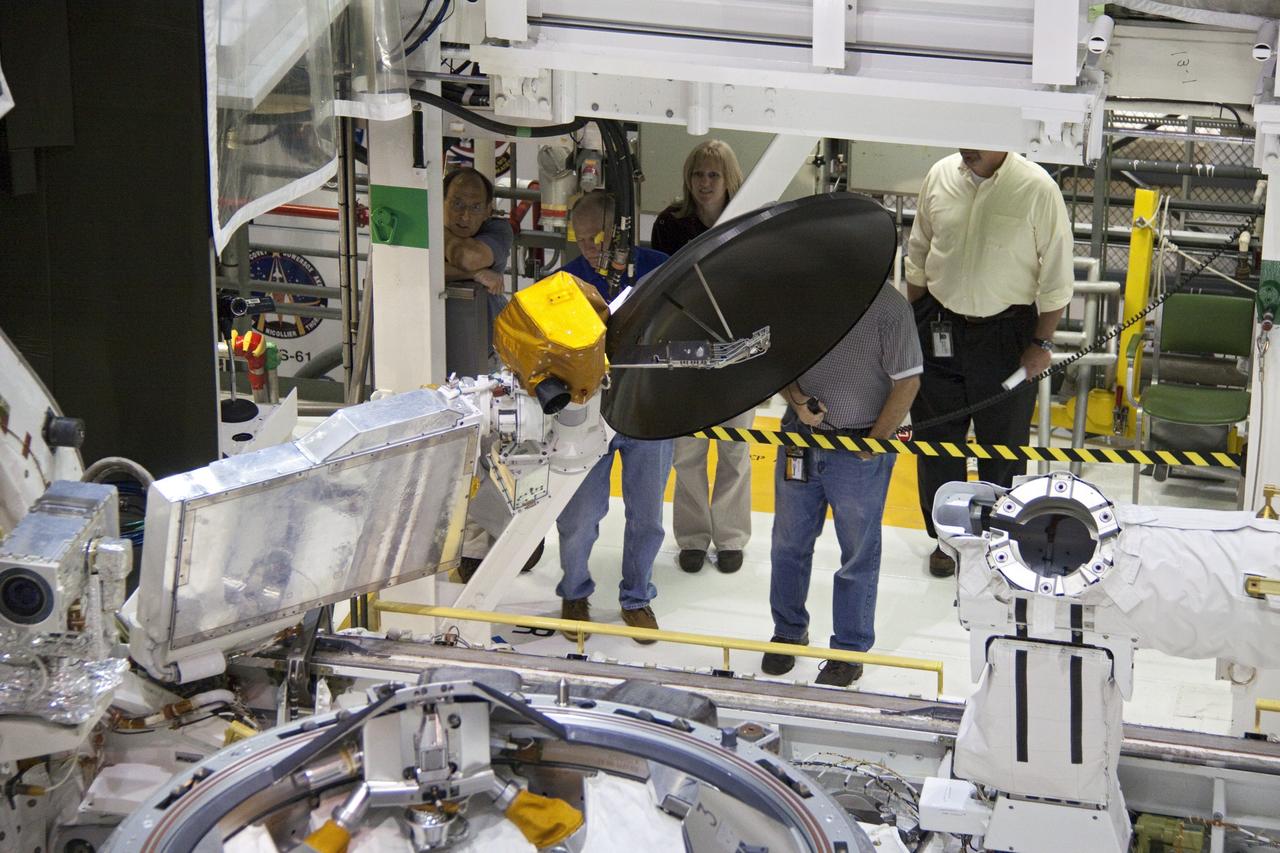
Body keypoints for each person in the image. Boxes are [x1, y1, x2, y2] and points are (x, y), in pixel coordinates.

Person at [904, 149, 1074, 578]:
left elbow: (1056, 276)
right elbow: (919, 250)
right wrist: (917, 320)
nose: (969, 145)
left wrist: (1041, 342)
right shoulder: (940, 174)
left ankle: (1000, 538)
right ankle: (946, 540)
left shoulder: (1037, 187)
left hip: (1008, 337)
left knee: (1003, 444)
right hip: (939, 326)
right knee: (937, 442)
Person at [761, 281, 922, 687]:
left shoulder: (891, 309)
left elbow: (908, 382)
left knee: (857, 552)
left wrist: (874, 442)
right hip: (799, 438)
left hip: (859, 446)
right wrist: (796, 399)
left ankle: (848, 649)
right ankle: (787, 631)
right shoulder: (804, 298)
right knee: (788, 542)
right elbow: (780, 362)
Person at [555, 191, 672, 642]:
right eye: (580, 239)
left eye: (596, 237)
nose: (587, 248)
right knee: (580, 514)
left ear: (620, 232)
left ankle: (637, 598)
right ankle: (574, 591)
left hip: (648, 413)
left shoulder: (662, 269)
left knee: (647, 515)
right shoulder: (566, 281)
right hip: (589, 415)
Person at [651, 140, 754, 575]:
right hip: (686, 349)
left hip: (740, 349)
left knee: (734, 448)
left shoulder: (750, 221)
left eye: (713, 174)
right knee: (687, 450)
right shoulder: (669, 224)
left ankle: (730, 537)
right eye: (698, 174)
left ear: (729, 178)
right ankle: (692, 537)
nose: (705, 183)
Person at [443, 167, 514, 377]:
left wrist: (437, 231)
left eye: (475, 207)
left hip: (488, 354)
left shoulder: (498, 230)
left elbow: (468, 257)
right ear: (441, 201)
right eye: (457, 204)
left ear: (487, 211)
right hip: (431, 344)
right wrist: (474, 274)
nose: (465, 216)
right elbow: (416, 269)